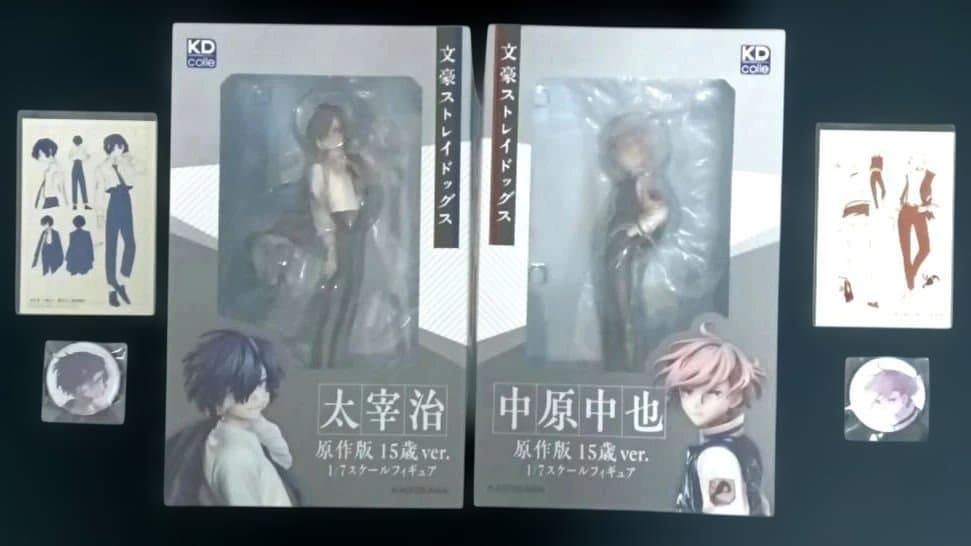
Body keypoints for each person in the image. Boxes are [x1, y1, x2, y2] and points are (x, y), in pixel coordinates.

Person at [164, 330, 300, 507]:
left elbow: (284, 461)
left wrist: (262, 426)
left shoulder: (229, 432)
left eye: (261, 383)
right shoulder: (235, 457)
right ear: (217, 393)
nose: (258, 395)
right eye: (244, 387)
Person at [655, 321, 769, 516]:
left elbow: (726, 520)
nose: (696, 403)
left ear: (735, 396)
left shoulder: (716, 457)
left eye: (713, 392)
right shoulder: (744, 445)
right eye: (687, 391)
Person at [600, 113, 671, 372]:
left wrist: (636, 230)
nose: (617, 154)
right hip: (618, 250)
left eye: (625, 147)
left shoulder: (646, 182)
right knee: (617, 308)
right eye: (618, 148)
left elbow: (661, 211)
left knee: (627, 307)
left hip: (629, 252)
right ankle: (621, 359)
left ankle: (631, 362)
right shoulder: (628, 182)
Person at [95, 134, 137, 307]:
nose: (120, 149)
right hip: (112, 202)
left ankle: (121, 282)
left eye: (122, 146)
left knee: (131, 244)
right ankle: (111, 290)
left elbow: (140, 172)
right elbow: (99, 190)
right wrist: (99, 213)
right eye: (117, 147)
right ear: (109, 147)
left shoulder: (126, 163)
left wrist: (129, 160)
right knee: (111, 247)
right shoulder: (101, 167)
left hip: (126, 199)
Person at [845, 367, 927, 442]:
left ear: (905, 398)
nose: (884, 405)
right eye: (878, 401)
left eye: (891, 399)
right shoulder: (860, 429)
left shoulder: (918, 431)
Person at [897, 161, 935, 291]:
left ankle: (911, 273)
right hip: (905, 211)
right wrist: (900, 203)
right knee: (906, 251)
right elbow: (901, 190)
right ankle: (910, 282)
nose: (918, 163)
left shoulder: (928, 176)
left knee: (925, 248)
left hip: (918, 212)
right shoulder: (906, 172)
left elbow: (931, 200)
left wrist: (926, 208)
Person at [52, 350, 112, 416]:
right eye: (98, 380)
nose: (105, 385)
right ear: (79, 388)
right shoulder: (63, 417)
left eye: (104, 379)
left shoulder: (104, 409)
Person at [31, 137, 66, 209]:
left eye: (40, 155)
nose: (39, 159)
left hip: (53, 201)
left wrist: (64, 206)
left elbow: (61, 190)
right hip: (48, 200)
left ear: (50, 151)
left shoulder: (56, 168)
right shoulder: (49, 168)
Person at [68, 135, 92, 210]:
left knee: (82, 184)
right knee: (74, 185)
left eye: (78, 142)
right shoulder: (72, 148)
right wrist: (77, 158)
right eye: (76, 142)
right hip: (75, 164)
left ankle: (85, 204)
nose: (77, 143)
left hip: (80, 164)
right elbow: (69, 157)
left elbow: (88, 155)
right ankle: (75, 204)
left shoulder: (83, 147)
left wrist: (84, 158)